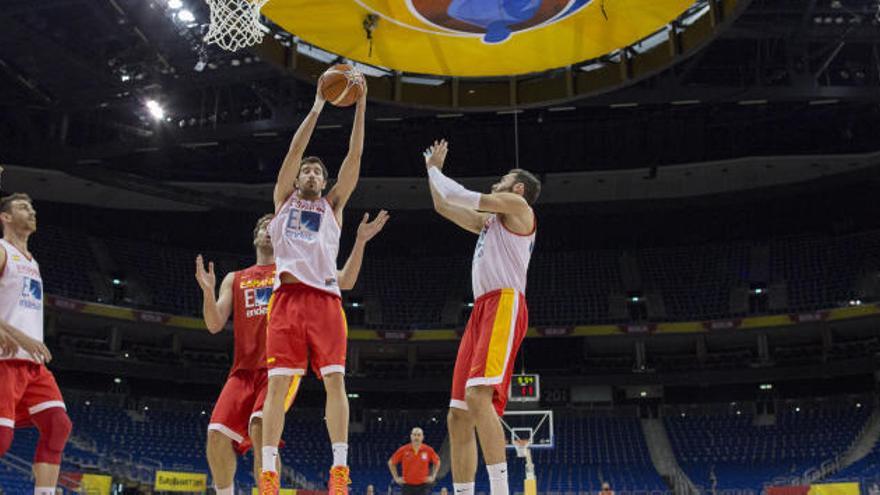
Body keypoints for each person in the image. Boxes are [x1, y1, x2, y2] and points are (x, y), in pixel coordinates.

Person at [198, 210, 387, 494]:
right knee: (215, 436)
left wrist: (360, 241)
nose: (267, 230)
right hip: (242, 372)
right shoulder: (235, 278)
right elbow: (213, 324)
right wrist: (208, 291)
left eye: (272, 226)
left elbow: (345, 280)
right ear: (255, 237)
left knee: (260, 427)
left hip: (279, 371)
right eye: (262, 226)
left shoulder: (296, 268)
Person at [259, 77, 369, 495]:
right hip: (286, 300)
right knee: (277, 386)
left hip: (326, 300)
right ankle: (269, 471)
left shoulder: (333, 206)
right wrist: (319, 104)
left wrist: (360, 103)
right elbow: (293, 150)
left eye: (317, 171)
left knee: (337, 382)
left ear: (324, 183)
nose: (310, 171)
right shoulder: (282, 200)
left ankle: (339, 469)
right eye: (307, 168)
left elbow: (355, 155)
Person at [422, 140, 540, 495]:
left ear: (518, 188)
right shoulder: (491, 224)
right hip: (481, 309)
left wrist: (435, 169)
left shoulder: (518, 205)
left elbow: (460, 194)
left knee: (478, 396)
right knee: (457, 415)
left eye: (503, 179)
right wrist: (432, 170)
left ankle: (501, 489)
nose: (496, 184)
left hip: (505, 303)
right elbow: (444, 205)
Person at [0, 193, 73, 495]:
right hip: (5, 360)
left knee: (58, 425)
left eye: (32, 208)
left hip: (32, 365)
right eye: (21, 208)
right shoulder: (2, 250)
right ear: (4, 217)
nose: (30, 212)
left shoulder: (32, 261)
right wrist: (16, 335)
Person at [388, 427, 441, 495]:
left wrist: (433, 476)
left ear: (422, 437)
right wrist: (396, 478)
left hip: (423, 487)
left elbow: (437, 462)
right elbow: (391, 462)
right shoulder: (403, 450)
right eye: (414, 435)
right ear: (411, 436)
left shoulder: (428, 450)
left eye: (419, 435)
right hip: (407, 487)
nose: (416, 437)